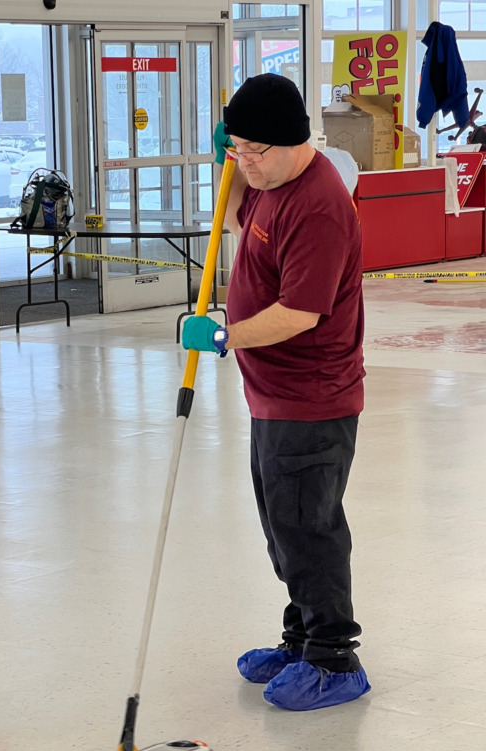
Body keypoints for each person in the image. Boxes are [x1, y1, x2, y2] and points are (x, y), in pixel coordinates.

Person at [182, 73, 370, 712]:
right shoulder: (265, 181)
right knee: (282, 526)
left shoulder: (318, 206)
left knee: (308, 527)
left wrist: (224, 335)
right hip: (272, 395)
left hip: (312, 397)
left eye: (256, 151)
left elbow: (300, 314)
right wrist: (229, 163)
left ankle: (334, 660)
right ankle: (300, 639)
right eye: (239, 149)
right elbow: (235, 217)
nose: (248, 164)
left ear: (294, 143)